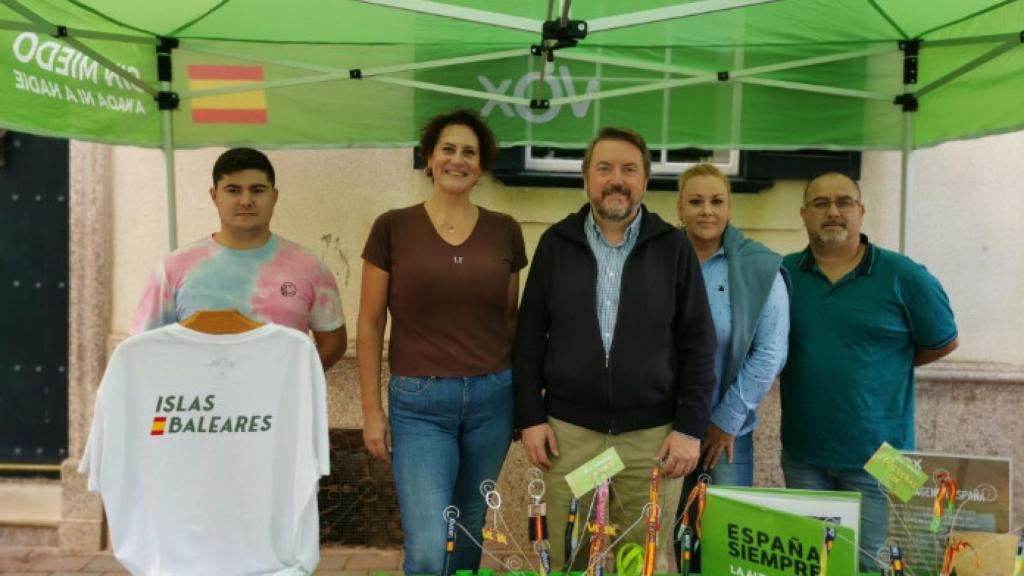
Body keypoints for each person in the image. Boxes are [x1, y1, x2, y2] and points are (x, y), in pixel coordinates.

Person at [514, 126, 717, 572]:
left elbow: (699, 343)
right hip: (569, 434)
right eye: (604, 168)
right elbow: (528, 338)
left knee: (640, 560)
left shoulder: (673, 248)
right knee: (567, 557)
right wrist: (529, 417)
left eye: (629, 169)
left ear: (645, 181)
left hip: (651, 439)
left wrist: (689, 428)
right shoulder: (556, 244)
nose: (616, 179)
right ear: (586, 177)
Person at [357, 109, 527, 575]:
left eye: (469, 152)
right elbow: (370, 325)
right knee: (431, 544)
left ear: (482, 165)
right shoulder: (392, 227)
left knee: (470, 526)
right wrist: (372, 411)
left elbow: (509, 319)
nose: (458, 160)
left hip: (493, 400)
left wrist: (523, 401)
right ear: (429, 158)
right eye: (447, 149)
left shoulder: (505, 230)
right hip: (419, 403)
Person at [781, 172, 959, 571]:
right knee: (817, 565)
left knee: (879, 565)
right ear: (804, 214)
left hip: (884, 459)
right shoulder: (784, 274)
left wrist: (884, 366)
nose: (833, 212)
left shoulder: (904, 275)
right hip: (804, 455)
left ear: (861, 212)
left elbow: (944, 341)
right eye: (821, 203)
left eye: (843, 202)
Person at [131, 147, 347, 370]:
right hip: (200, 403)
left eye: (257, 190)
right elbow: (144, 349)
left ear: (274, 196)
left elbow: (333, 343)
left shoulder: (310, 267)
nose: (246, 201)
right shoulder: (173, 269)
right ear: (214, 195)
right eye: (233, 190)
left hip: (281, 403)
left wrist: (293, 382)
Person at [673, 163, 790, 570]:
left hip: (725, 435)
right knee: (674, 538)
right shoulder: (658, 259)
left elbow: (771, 352)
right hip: (662, 429)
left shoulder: (759, 267)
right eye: (696, 201)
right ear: (679, 209)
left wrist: (724, 420)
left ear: (729, 207)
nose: (707, 210)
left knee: (722, 544)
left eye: (717, 201)